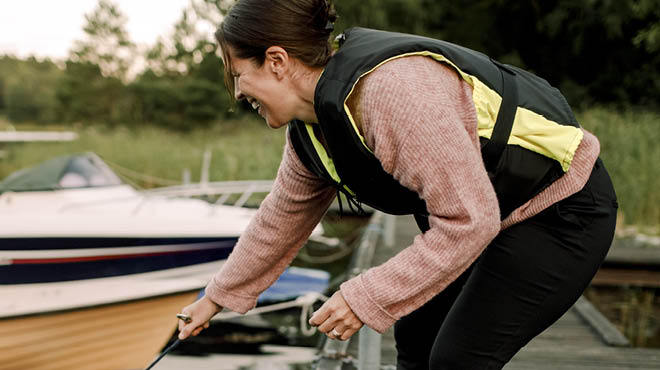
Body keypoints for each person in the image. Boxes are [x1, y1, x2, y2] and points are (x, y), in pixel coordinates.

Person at [177, 1, 619, 369]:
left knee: (457, 360)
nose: (236, 93)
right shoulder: (313, 129)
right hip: (496, 216)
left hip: (561, 211)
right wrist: (215, 298)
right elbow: (280, 219)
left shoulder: (393, 92)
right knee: (415, 336)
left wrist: (363, 295)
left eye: (236, 73)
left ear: (276, 61)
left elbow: (469, 220)